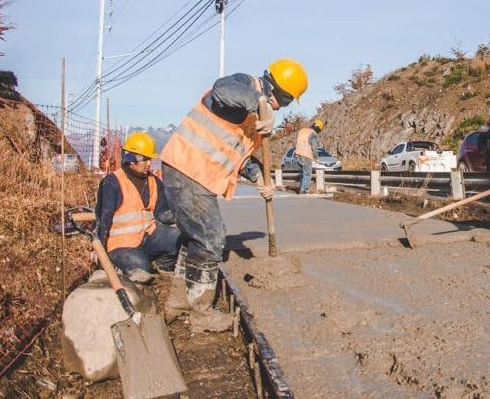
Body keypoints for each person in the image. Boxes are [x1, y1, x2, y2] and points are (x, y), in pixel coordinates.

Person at [160, 59, 308, 328]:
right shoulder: (243, 86)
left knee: (195, 236)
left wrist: (260, 178)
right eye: (284, 101)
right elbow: (221, 90)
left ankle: (179, 300)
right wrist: (260, 102)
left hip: (193, 173)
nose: (281, 107)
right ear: (275, 89)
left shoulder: (254, 119)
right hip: (188, 167)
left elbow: (241, 157)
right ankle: (201, 313)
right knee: (211, 237)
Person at [95, 132, 182, 283]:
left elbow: (161, 212)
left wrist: (178, 215)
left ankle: (161, 267)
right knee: (142, 269)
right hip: (121, 244)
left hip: (148, 236)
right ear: (131, 159)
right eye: (144, 159)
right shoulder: (112, 182)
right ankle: (131, 265)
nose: (149, 164)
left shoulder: (154, 182)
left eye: (150, 159)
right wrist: (100, 252)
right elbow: (103, 219)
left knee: (176, 237)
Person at [294, 119, 325, 194]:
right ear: (318, 129)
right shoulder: (313, 133)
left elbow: (295, 142)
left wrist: (297, 151)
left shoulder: (302, 130)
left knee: (302, 173)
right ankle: (304, 190)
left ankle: (301, 188)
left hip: (298, 153)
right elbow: (314, 147)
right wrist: (316, 158)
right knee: (307, 173)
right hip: (306, 154)